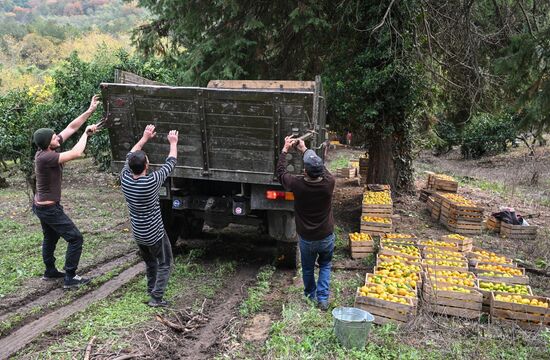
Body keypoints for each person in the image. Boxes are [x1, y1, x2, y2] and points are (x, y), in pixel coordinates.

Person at [32, 95, 101, 289]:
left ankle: (50, 271)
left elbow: (71, 127)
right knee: (75, 238)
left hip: (43, 206)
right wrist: (86, 134)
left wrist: (90, 110)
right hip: (49, 208)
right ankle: (70, 277)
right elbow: (76, 154)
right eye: (54, 137)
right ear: (47, 143)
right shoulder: (46, 157)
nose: (57, 137)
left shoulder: (47, 148)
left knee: (51, 237)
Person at [120, 124, 179, 307]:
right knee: (165, 263)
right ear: (147, 165)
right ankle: (156, 297)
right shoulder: (151, 182)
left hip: (139, 234)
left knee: (151, 263)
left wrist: (145, 138)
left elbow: (132, 152)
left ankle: (151, 290)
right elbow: (171, 162)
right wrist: (173, 142)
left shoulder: (125, 178)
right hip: (154, 234)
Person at [276, 136, 336, 311]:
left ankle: (311, 296)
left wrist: (285, 149)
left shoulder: (297, 184)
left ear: (305, 171)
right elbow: (323, 170)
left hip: (307, 238)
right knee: (325, 265)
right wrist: (305, 150)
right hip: (326, 236)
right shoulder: (328, 184)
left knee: (308, 269)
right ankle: (323, 299)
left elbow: (280, 172)